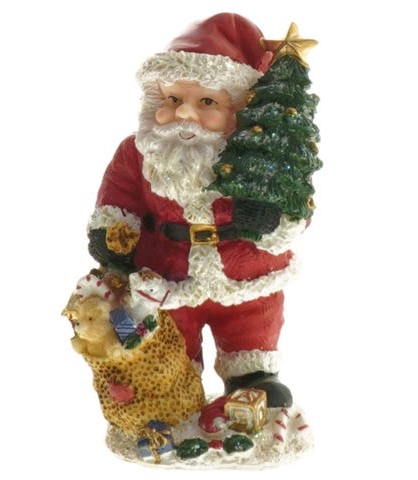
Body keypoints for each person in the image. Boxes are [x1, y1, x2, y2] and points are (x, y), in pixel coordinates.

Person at [87, 13, 309, 408]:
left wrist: (271, 217)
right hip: (167, 276)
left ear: (238, 108)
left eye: (207, 102)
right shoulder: (137, 153)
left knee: (251, 327)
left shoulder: (258, 159)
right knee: (170, 340)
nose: (185, 114)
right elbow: (119, 196)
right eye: (173, 100)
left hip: (244, 275)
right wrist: (112, 232)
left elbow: (297, 205)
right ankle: (177, 385)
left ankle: (251, 378)